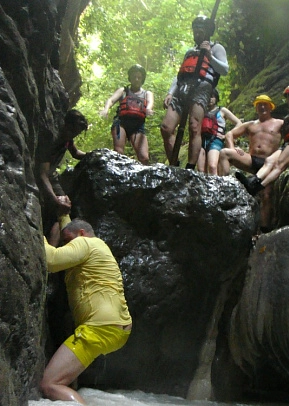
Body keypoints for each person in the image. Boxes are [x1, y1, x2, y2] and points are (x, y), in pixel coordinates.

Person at [40, 208, 132, 405]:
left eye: (68, 242)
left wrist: (36, 234)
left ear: (81, 234)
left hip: (98, 328)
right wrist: (63, 213)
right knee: (66, 382)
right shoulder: (99, 247)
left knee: (50, 384)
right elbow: (69, 229)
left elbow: (52, 260)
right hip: (117, 329)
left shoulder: (85, 243)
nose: (67, 247)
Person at [161, 16, 229, 168]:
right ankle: (174, 164)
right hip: (182, 89)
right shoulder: (190, 52)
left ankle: (190, 167)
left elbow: (224, 70)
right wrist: (170, 92)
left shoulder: (217, 48)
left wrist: (209, 55)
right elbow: (179, 76)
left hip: (201, 89)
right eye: (195, 27)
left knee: (194, 126)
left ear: (208, 30)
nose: (197, 30)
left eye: (201, 27)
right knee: (166, 128)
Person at [236, 84, 289, 196]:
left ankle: (257, 187)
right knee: (269, 161)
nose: (287, 100)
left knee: (279, 165)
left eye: (287, 97)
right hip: (288, 142)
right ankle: (253, 181)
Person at [218, 94, 283, 232]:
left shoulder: (280, 123)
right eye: (260, 105)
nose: (262, 107)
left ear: (270, 107)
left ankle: (264, 229)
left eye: (265, 104)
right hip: (251, 160)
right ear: (256, 108)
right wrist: (233, 148)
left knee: (266, 194)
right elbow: (230, 134)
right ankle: (223, 187)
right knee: (225, 153)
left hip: (268, 163)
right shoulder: (250, 125)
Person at [37, 109, 88, 239]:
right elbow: (42, 174)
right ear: (66, 124)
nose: (73, 135)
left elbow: (75, 153)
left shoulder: (67, 138)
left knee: (64, 209)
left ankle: (54, 250)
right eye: (73, 131)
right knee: (58, 206)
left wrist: (95, 154)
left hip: (51, 176)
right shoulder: (51, 139)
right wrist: (55, 200)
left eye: (76, 133)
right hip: (39, 176)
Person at [99, 64, 154, 165]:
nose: (136, 79)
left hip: (138, 126)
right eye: (134, 77)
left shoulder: (147, 93)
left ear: (142, 79)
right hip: (121, 124)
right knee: (119, 153)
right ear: (130, 78)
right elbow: (111, 100)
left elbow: (150, 103)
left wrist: (149, 109)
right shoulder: (123, 91)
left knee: (144, 157)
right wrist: (106, 109)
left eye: (139, 77)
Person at [197, 88, 241, 175]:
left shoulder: (222, 110)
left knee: (212, 166)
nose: (210, 99)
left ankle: (216, 187)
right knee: (201, 170)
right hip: (201, 140)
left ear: (216, 98)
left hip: (216, 140)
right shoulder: (201, 110)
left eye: (212, 96)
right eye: (208, 96)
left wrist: (227, 136)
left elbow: (239, 123)